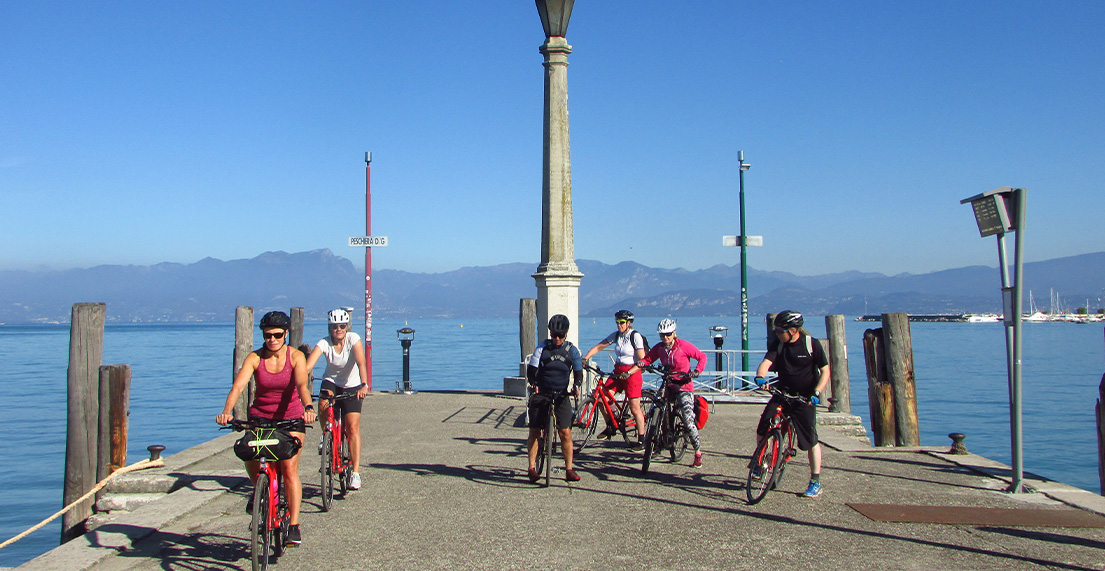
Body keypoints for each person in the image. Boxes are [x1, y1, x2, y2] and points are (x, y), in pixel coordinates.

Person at [216, 311, 316, 545]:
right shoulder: (255, 358)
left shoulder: (296, 357)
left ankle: (293, 525)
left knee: (289, 469)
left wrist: (308, 407)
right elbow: (238, 386)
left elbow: (302, 384)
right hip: (260, 418)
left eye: (277, 335)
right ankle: (260, 490)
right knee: (249, 454)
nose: (272, 339)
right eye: (267, 335)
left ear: (286, 334)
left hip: (291, 418)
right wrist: (227, 411)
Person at [753, 310, 830, 498]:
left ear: (794, 330)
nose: (777, 334)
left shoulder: (812, 345)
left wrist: (817, 392)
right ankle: (761, 461)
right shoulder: (778, 344)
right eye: (776, 330)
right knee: (763, 428)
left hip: (804, 397)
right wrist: (760, 377)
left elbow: (825, 371)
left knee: (810, 440)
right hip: (782, 392)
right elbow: (765, 363)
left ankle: (815, 481)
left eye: (781, 331)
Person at [620, 318, 707, 468]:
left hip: (683, 386)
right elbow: (648, 358)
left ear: (674, 333)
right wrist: (641, 363)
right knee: (656, 408)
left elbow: (702, 357)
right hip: (668, 383)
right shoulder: (660, 348)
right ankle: (657, 441)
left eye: (668, 334)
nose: (665, 338)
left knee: (688, 419)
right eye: (662, 335)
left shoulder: (684, 346)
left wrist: (697, 371)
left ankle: (697, 452)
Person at [304, 308, 370, 490]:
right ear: (329, 328)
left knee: (352, 428)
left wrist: (364, 384)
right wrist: (298, 380)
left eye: (342, 326)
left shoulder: (353, 339)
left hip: (352, 384)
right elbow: (309, 365)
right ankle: (326, 434)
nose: (338, 329)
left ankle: (355, 473)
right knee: (324, 401)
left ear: (346, 327)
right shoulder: (324, 343)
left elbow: (361, 362)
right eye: (334, 326)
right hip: (331, 381)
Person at [525, 314, 584, 483]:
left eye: (560, 335)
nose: (557, 338)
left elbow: (578, 372)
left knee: (565, 432)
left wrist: (577, 386)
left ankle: (569, 469)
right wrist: (533, 382)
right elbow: (532, 369)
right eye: (553, 335)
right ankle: (531, 468)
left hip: (561, 395)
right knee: (535, 430)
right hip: (542, 392)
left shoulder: (572, 350)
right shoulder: (542, 348)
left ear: (566, 334)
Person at [581, 309, 648, 449]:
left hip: (632, 373)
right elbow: (600, 346)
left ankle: (642, 439)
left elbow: (642, 359)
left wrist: (631, 372)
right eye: (617, 322)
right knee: (599, 397)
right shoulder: (617, 336)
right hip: (618, 371)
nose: (619, 325)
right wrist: (586, 358)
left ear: (628, 323)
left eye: (622, 322)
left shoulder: (635, 336)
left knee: (635, 408)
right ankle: (611, 425)